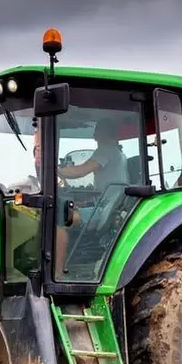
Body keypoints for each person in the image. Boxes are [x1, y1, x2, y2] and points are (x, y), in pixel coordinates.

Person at [54, 118, 129, 276]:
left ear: (104, 133)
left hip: (105, 208)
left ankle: (57, 272)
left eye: (97, 132)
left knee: (59, 219)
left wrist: (55, 170)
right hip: (110, 204)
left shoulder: (106, 149)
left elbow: (81, 170)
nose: (94, 137)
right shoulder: (117, 152)